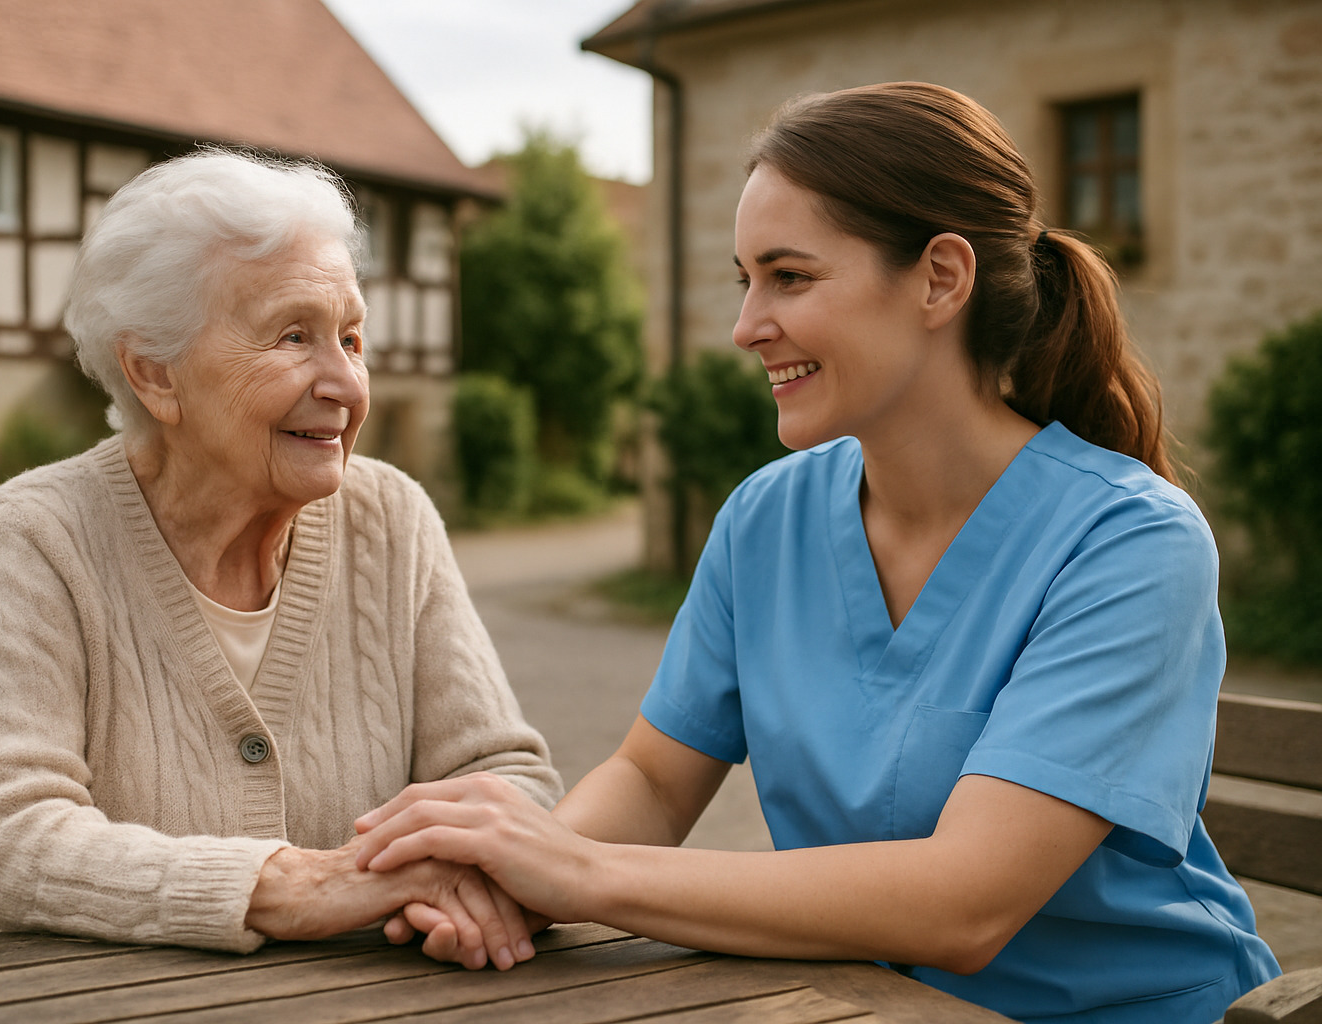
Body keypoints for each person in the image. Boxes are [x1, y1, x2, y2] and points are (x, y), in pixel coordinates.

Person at [351, 83, 1283, 1021]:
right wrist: (511, 880)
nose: (747, 324)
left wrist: (582, 873)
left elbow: (966, 903)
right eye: (744, 279)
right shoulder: (768, 517)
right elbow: (652, 777)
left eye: (790, 277)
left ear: (940, 279)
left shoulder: (1131, 544)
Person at [0, 149, 561, 970]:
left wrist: (465, 877)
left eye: (352, 337)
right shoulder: (35, 536)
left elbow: (502, 771)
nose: (346, 383)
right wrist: (293, 887)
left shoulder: (391, 517)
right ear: (154, 373)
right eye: (294, 337)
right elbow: (3, 841)